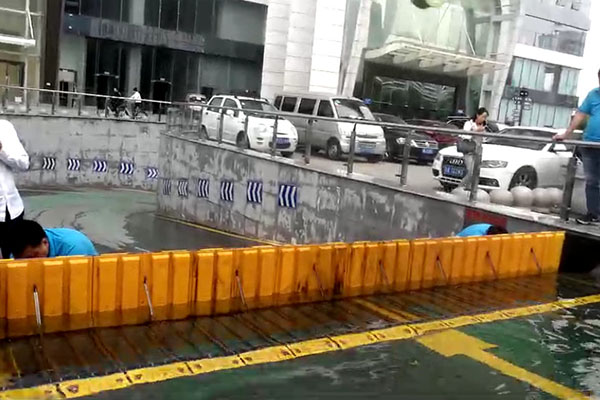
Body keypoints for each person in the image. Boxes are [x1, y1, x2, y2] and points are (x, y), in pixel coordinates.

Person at [554, 69, 600, 225]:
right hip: (589, 144)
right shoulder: (594, 94)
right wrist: (566, 134)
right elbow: (580, 114)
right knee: (592, 181)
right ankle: (593, 213)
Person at [0, 120, 29, 258]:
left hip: (9, 212)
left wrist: (1, 151)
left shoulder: (4, 128)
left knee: (13, 266)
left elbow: (24, 163)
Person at [7, 220, 98, 259]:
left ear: (45, 243)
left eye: (34, 256)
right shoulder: (19, 251)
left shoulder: (76, 248)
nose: (30, 262)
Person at [461, 107, 488, 188]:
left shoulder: (483, 126)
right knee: (471, 171)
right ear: (477, 115)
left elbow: (484, 139)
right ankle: (461, 187)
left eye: (485, 117)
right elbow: (465, 136)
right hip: (469, 150)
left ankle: (470, 189)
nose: (484, 119)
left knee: (476, 172)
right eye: (483, 116)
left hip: (478, 151)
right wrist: (476, 131)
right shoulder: (469, 124)